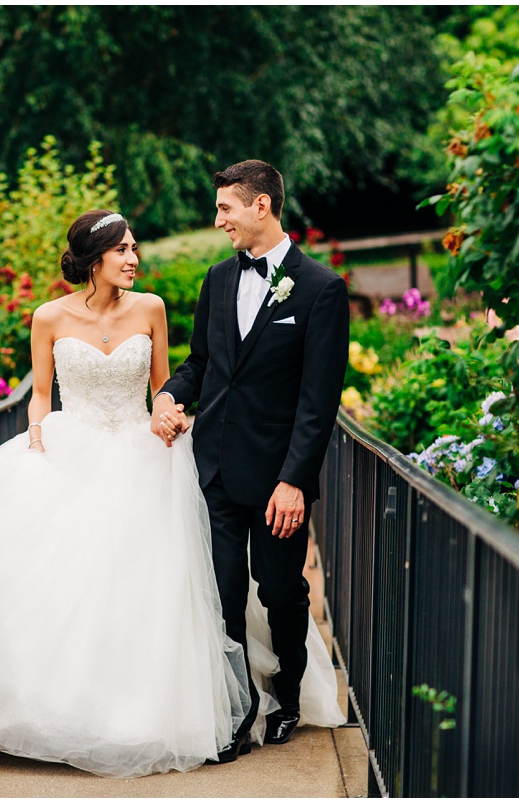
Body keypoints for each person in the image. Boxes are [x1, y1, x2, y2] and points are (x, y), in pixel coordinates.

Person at [0, 209, 251, 778]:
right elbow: (40, 394)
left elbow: (163, 386)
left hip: (141, 455)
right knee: (57, 578)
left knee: (145, 585)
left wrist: (171, 415)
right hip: (71, 447)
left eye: (135, 248)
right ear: (96, 259)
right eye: (123, 251)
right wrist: (38, 443)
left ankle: (138, 713)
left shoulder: (151, 309)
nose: (133, 259)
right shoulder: (48, 317)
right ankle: (53, 707)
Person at [152, 160, 350, 760]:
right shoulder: (217, 279)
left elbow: (318, 404)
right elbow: (203, 363)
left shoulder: (320, 288)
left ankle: (286, 700)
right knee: (221, 591)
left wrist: (294, 481)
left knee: (282, 592)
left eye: (226, 209)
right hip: (211, 467)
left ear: (261, 206)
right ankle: (236, 712)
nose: (219, 221)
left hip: (275, 480)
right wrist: (167, 394)